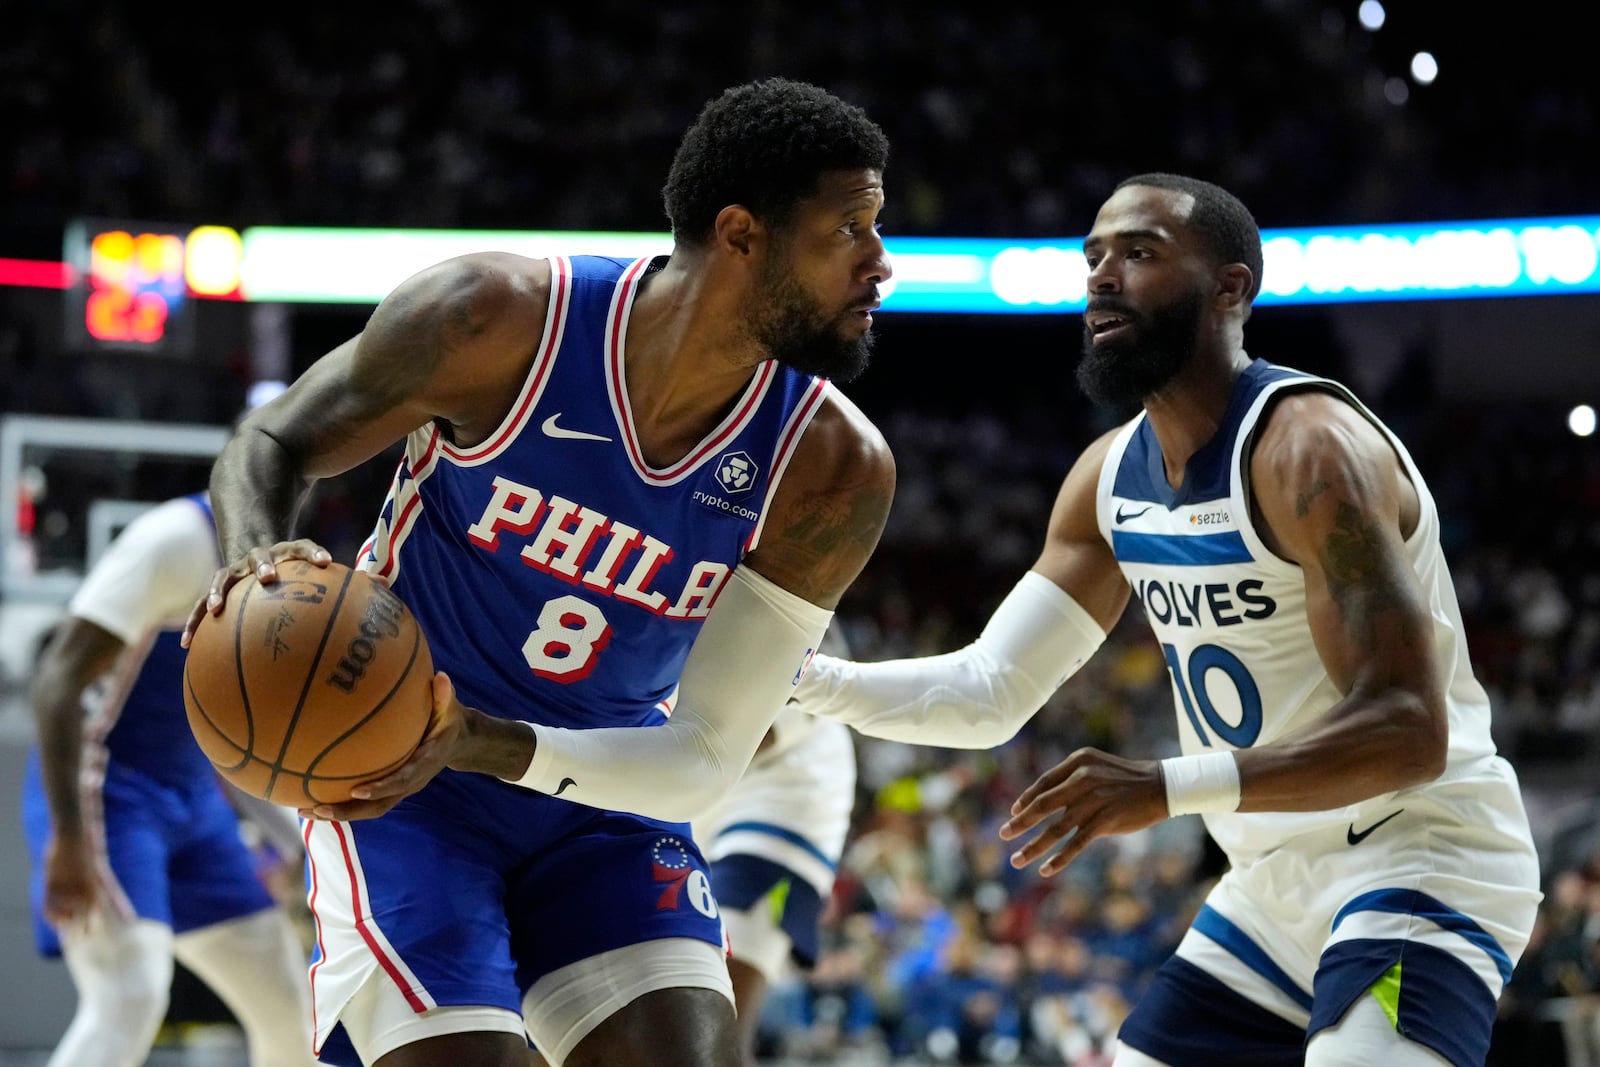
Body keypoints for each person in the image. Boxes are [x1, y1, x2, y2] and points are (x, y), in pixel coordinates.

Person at [182, 77, 896, 1067]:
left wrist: (478, 740)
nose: (880, 264)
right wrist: (261, 559)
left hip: (599, 795)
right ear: (740, 235)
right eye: (850, 228)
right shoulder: (497, 319)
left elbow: (705, 753)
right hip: (400, 786)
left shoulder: (831, 467)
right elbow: (273, 439)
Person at [796, 173, 1541, 1067]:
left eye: (1141, 254)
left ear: (1231, 288)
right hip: (1268, 886)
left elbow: (1411, 730)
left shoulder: (1308, 449)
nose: (1103, 276)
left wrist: (1165, 787)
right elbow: (989, 690)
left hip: (1421, 855)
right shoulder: (1108, 480)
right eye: (1094, 257)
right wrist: (803, 684)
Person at [21, 490, 319, 1067]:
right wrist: (69, 836)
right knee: (129, 995)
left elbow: (235, 744)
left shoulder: (294, 567)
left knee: (292, 1006)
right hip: (107, 793)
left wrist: (298, 842)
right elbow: (57, 681)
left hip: (193, 799)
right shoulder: (175, 540)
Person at [690, 625, 860, 1066]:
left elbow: (744, 740)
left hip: (786, 799)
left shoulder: (769, 580)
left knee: (715, 1019)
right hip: (714, 800)